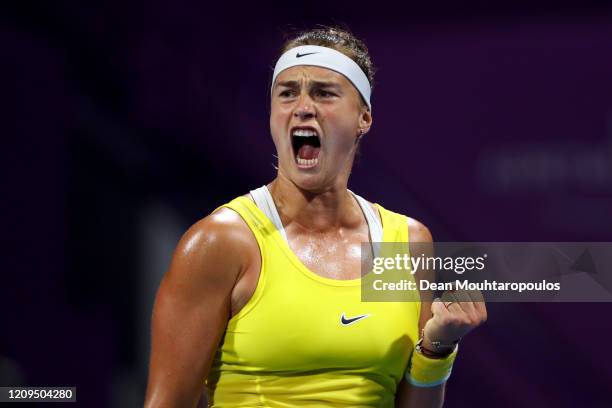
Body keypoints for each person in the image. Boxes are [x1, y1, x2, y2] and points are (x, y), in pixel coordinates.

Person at [144, 27, 487, 408]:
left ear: (363, 118)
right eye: (287, 92)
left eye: (324, 93)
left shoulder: (405, 242)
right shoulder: (221, 242)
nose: (303, 106)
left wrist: (438, 349)